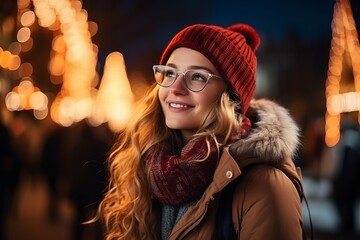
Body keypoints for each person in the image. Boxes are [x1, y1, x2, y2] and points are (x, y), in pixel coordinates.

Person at [96, 23, 304, 239]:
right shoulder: (147, 165)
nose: (175, 88)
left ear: (231, 99)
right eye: (169, 73)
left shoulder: (265, 185)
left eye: (197, 77)